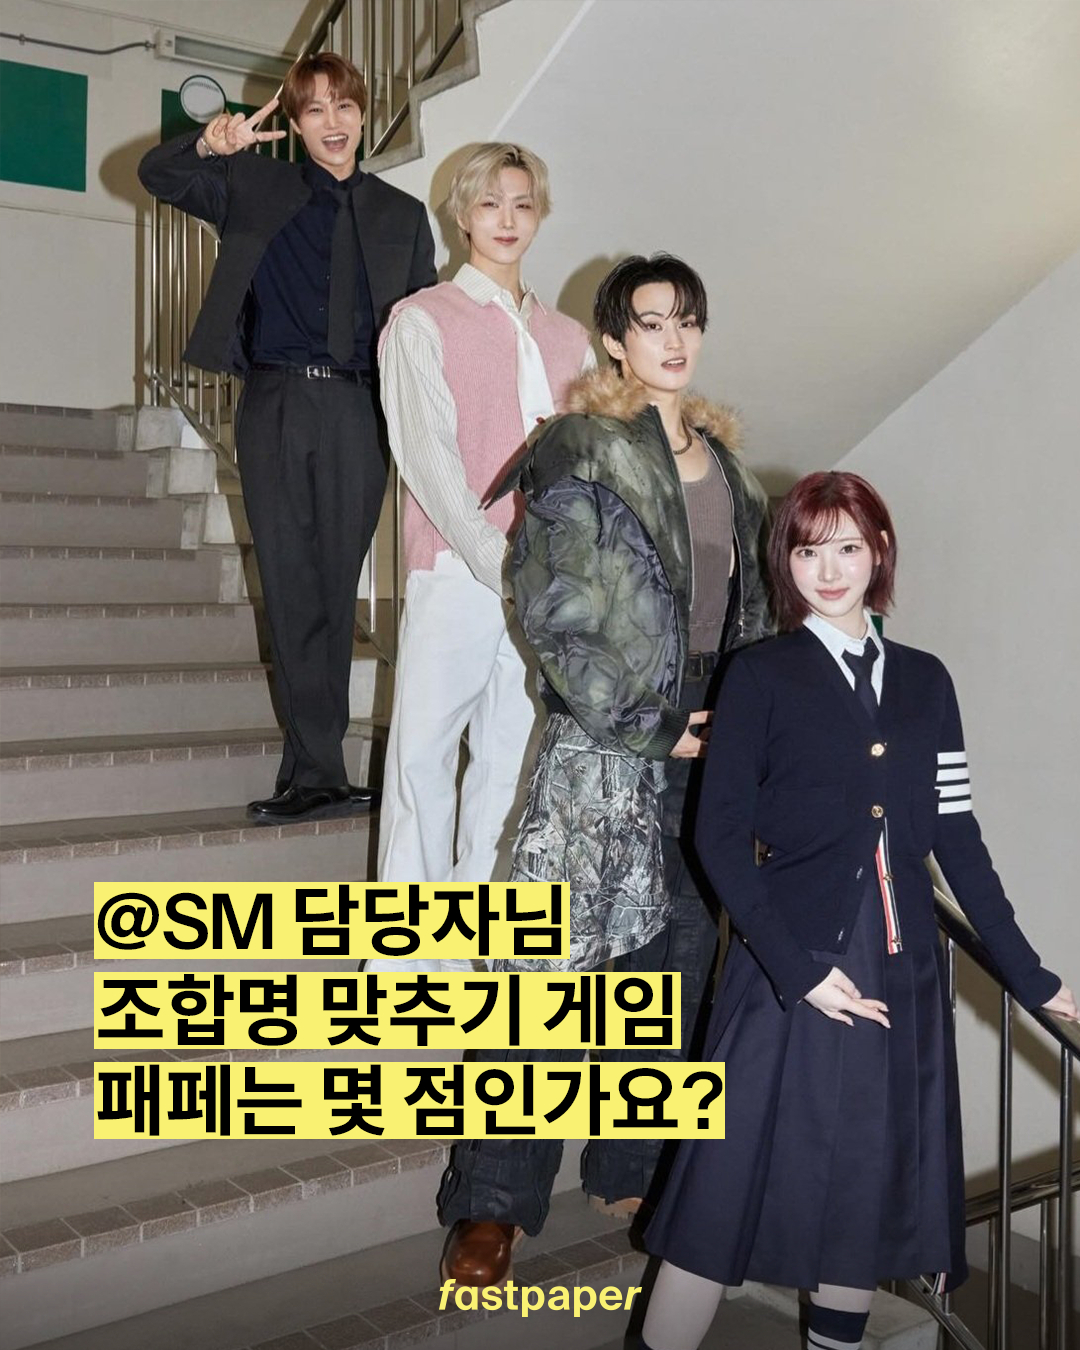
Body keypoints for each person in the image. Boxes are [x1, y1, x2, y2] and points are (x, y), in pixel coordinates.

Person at [640, 471, 1079, 1350]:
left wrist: (1034, 978)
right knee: (715, 1204)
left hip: (899, 977)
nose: (830, 570)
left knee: (859, 1207)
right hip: (785, 974)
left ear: (879, 551)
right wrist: (801, 973)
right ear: (786, 561)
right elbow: (717, 840)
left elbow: (957, 840)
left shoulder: (927, 682)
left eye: (847, 547)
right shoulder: (759, 675)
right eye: (809, 551)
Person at [436, 254, 771, 1286]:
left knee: (673, 962)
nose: (673, 339)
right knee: (547, 973)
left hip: (711, 740)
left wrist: (754, 728)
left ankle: (631, 1161)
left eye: (688, 321)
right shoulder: (580, 447)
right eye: (652, 322)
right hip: (609, 737)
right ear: (615, 339)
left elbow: (753, 612)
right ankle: (494, 1202)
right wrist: (652, 723)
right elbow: (554, 607)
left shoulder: (730, 467)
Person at [138, 54, 436, 821]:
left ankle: (321, 769)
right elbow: (157, 175)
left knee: (336, 588)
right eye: (315, 110)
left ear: (363, 115)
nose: (333, 123)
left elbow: (425, 333)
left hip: (359, 412)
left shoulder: (403, 215)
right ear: (297, 124)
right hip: (274, 400)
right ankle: (313, 771)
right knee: (291, 582)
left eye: (344, 107)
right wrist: (208, 145)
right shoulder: (255, 184)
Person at [368, 143, 593, 974]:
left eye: (522, 203)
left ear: (540, 216)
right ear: (461, 214)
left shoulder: (571, 340)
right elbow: (428, 464)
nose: (507, 219)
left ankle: (476, 956)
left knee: (510, 763)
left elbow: (589, 465)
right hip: (457, 573)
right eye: (490, 202)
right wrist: (503, 564)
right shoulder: (420, 320)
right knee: (422, 761)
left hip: (547, 586)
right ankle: (403, 966)